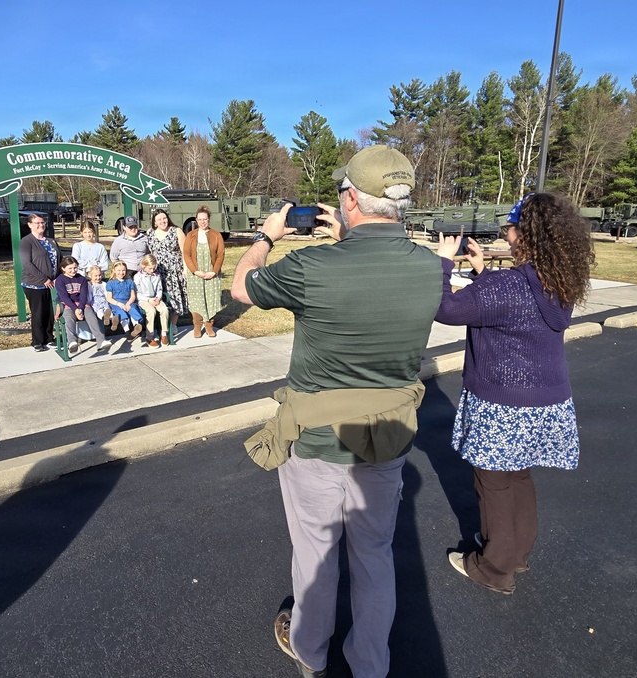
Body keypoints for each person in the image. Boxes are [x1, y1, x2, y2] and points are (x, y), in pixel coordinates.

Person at [231, 145, 442, 678]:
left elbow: (241, 287)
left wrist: (265, 238)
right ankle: (370, 662)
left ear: (350, 200)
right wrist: (347, 239)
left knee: (315, 555)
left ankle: (310, 650)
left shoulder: (311, 266)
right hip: (389, 438)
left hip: (317, 440)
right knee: (375, 556)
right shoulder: (429, 267)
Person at [436, 192, 595, 595]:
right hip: (547, 400)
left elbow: (448, 310)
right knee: (518, 475)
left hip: (503, 403)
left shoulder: (507, 285)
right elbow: (509, 306)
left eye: (509, 227)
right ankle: (516, 552)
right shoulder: (557, 280)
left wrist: (442, 262)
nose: (505, 234)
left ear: (525, 234)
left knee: (494, 483)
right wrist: (482, 271)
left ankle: (494, 568)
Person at [19, 213, 61, 352]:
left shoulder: (51, 241)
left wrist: (58, 276)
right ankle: (37, 341)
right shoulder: (26, 242)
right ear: (30, 225)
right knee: (38, 313)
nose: (41, 225)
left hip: (52, 284)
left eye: (42, 222)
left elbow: (59, 259)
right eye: (37, 223)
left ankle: (49, 338)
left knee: (50, 312)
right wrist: (44, 279)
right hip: (34, 284)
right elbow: (27, 263)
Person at [54, 256, 111, 354]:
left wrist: (80, 308)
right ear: (63, 268)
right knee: (68, 317)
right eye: (70, 268)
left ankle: (101, 340)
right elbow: (64, 297)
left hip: (82, 303)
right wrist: (75, 309)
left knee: (90, 315)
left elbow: (83, 295)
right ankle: (72, 342)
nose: (73, 270)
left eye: (75, 267)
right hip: (67, 304)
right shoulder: (60, 280)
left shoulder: (81, 279)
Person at [183, 205, 225, 338]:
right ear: (196, 220)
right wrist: (195, 271)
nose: (202, 222)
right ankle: (197, 326)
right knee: (197, 300)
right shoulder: (191, 235)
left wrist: (214, 271)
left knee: (210, 299)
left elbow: (220, 255)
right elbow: (186, 255)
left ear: (209, 220)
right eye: (200, 219)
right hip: (196, 274)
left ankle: (209, 326)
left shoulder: (216, 235)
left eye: (205, 219)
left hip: (211, 273)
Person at [145, 208, 189, 320]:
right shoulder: (150, 233)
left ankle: (173, 324)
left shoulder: (176, 231)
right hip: (157, 271)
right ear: (155, 222)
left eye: (164, 218)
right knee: (160, 297)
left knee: (175, 298)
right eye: (159, 219)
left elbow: (185, 251)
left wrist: (185, 269)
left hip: (174, 271)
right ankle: (161, 324)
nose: (162, 221)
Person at [133, 254, 170, 348]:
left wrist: (158, 298)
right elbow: (137, 293)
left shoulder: (156, 276)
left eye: (153, 268)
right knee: (151, 311)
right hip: (144, 299)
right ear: (144, 266)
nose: (152, 270)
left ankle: (164, 333)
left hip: (155, 298)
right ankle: (149, 336)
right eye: (150, 268)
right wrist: (148, 300)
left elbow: (159, 289)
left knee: (164, 310)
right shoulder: (138, 277)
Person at [105, 261, 143, 338]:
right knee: (120, 312)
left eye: (123, 270)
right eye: (119, 270)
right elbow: (109, 298)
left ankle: (137, 326)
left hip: (128, 301)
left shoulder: (129, 282)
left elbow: (133, 296)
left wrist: (128, 303)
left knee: (132, 309)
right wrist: (119, 304)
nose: (121, 272)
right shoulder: (111, 283)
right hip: (116, 303)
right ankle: (127, 331)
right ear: (114, 270)